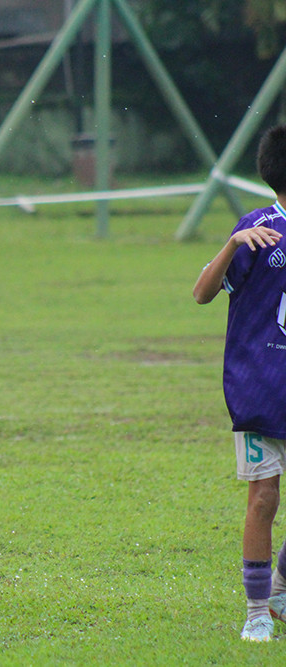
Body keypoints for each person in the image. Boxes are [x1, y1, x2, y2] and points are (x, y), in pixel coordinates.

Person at [193, 123, 286, 643]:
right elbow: (202, 293)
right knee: (263, 499)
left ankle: (279, 590)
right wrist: (231, 243)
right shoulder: (258, 229)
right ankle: (256, 612)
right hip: (260, 386)